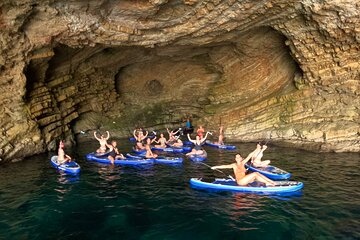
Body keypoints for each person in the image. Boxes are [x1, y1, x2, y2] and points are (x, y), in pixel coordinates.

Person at [211, 153, 275, 186]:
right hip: (240, 182)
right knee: (255, 174)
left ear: (241, 158)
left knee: (257, 174)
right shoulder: (234, 165)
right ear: (235, 159)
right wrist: (215, 167)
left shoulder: (243, 163)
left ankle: (270, 182)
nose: (237, 158)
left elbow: (250, 155)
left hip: (244, 180)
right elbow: (224, 166)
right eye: (236, 157)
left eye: (238, 157)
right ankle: (267, 183)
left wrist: (257, 149)